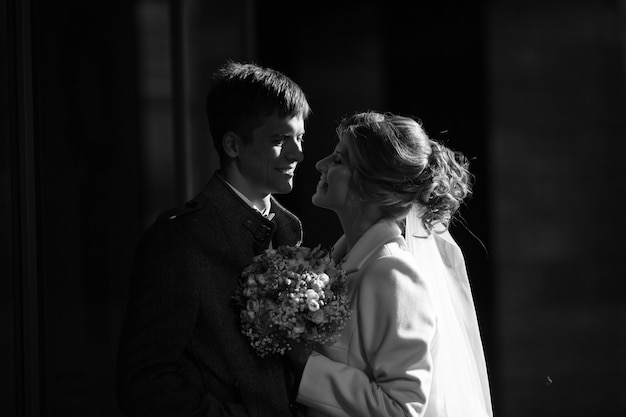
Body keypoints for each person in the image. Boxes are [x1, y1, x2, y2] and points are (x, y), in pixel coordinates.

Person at [116, 61, 311, 417]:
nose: (298, 154)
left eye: (300, 138)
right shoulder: (179, 241)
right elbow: (146, 383)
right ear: (233, 145)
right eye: (280, 140)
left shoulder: (288, 231)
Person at [287, 111, 493, 416]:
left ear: (371, 187)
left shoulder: (392, 273)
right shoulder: (340, 261)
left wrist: (306, 366)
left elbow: (402, 408)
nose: (320, 164)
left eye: (339, 160)